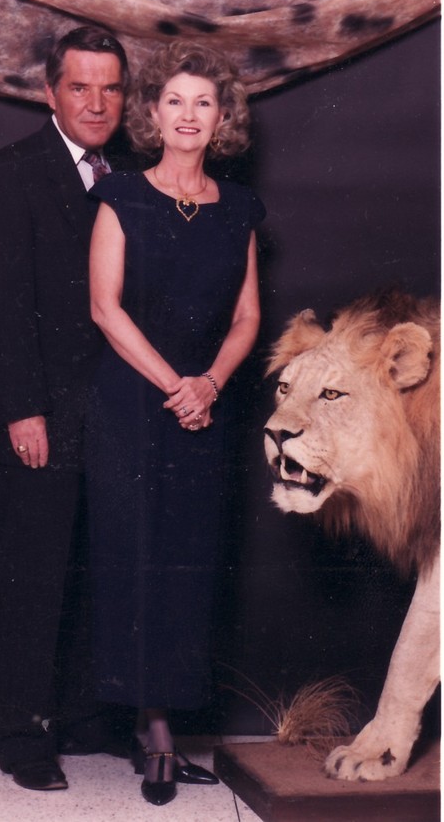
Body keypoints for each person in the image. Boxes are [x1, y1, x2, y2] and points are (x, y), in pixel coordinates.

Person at [86, 41, 265, 806]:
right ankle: (153, 729)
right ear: (152, 113)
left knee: (187, 562)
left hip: (205, 408)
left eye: (204, 102)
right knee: (137, 557)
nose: (188, 115)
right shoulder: (121, 196)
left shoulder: (241, 209)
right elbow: (104, 308)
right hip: (134, 405)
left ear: (221, 118)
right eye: (175, 101)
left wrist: (210, 384)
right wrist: (176, 387)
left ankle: (160, 717)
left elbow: (248, 315)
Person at [0, 26, 131, 792]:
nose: (96, 103)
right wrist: (22, 410)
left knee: (102, 567)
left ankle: (88, 716)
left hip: (120, 413)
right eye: (80, 87)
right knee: (36, 573)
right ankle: (23, 732)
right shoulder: (10, 174)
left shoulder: (133, 174)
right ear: (49, 92)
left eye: (111, 88)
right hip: (43, 413)